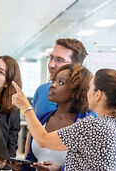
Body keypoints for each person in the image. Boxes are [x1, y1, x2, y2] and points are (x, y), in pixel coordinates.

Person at [12, 68, 116, 170]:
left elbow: (42, 140)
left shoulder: (92, 126)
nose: (87, 93)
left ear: (98, 94)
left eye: (90, 88)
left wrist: (25, 106)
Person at [16, 64, 96, 171]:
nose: (52, 85)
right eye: (53, 81)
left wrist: (60, 169)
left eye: (61, 82)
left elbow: (88, 167)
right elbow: (31, 162)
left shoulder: (85, 123)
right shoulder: (41, 118)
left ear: (76, 91)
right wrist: (20, 167)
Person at [25, 38, 89, 170]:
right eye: (51, 58)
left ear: (77, 67)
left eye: (59, 60)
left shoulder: (87, 114)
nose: (51, 64)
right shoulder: (42, 91)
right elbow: (34, 133)